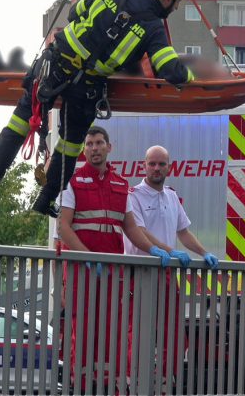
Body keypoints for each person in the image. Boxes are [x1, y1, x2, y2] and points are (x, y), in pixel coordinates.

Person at [0, 0, 199, 218]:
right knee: (69, 145)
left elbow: (75, 12)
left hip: (54, 65)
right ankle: (44, 200)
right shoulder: (153, 28)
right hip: (86, 87)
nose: (177, 5)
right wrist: (194, 78)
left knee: (22, 119)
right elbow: (170, 69)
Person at [58, 126, 171, 390]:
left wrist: (155, 250)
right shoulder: (71, 181)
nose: (94, 148)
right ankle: (82, 387)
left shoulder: (121, 185)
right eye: (89, 144)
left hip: (112, 272)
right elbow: (64, 227)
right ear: (84, 149)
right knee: (83, 333)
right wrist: (88, 257)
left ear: (110, 147)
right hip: (82, 271)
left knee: (114, 334)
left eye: (99, 143)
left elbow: (131, 227)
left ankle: (113, 388)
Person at [123, 145, 218, 381]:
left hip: (166, 274)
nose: (156, 168)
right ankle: (134, 380)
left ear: (169, 167)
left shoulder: (172, 196)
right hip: (141, 273)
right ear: (143, 165)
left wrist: (204, 252)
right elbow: (140, 231)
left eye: (161, 164)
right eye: (152, 163)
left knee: (173, 332)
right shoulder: (133, 195)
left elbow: (183, 231)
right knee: (138, 333)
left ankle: (166, 380)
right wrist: (170, 250)